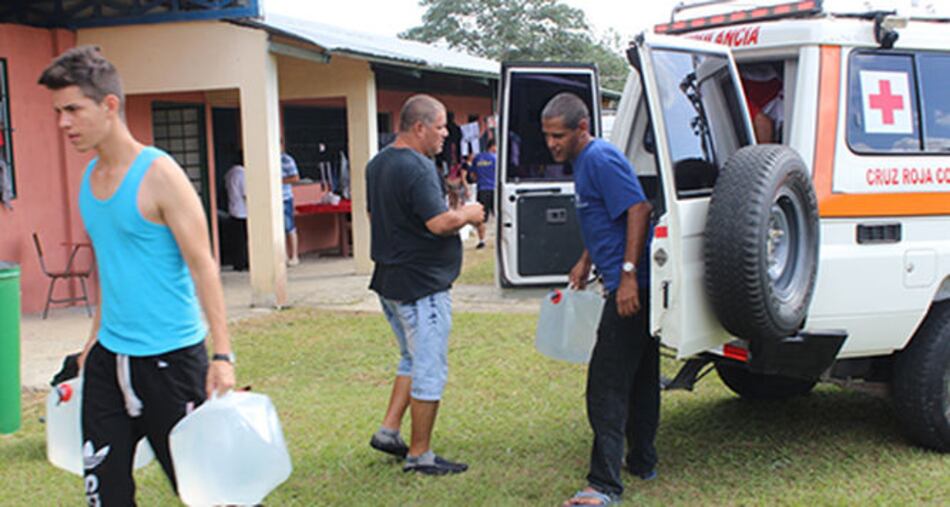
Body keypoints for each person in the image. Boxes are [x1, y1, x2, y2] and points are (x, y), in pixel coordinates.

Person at [38, 46, 236, 505]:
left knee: (210, 491)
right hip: (110, 359)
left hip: (173, 359)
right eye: (58, 112)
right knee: (104, 492)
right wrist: (93, 341)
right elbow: (114, 267)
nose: (63, 122)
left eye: (73, 109)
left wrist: (222, 355)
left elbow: (204, 265)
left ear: (109, 105)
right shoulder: (89, 179)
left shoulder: (161, 175)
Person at [539, 93, 657, 507]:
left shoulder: (600, 159)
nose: (552, 143)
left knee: (605, 385)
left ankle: (603, 485)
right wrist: (585, 258)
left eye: (559, 135)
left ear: (582, 128)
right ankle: (642, 460)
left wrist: (626, 276)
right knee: (640, 377)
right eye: (547, 136)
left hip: (632, 286)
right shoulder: (585, 162)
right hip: (625, 279)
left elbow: (638, 209)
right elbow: (606, 213)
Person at [365, 94, 484, 476]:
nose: (445, 134)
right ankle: (420, 454)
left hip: (390, 280)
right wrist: (468, 213)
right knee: (429, 366)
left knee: (410, 358)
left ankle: (388, 431)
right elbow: (437, 223)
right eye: (440, 126)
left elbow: (375, 213)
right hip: (421, 286)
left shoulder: (378, 163)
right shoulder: (416, 167)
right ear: (419, 127)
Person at [470, 138, 497, 249]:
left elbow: (473, 175)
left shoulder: (477, 158)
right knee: (499, 215)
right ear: (493, 146)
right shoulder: (496, 158)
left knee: (481, 217)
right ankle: (501, 239)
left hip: (482, 189)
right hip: (494, 188)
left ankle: (481, 240)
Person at [224, 154, 248, 271]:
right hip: (244, 211)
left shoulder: (229, 173)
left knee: (237, 240)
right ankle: (245, 262)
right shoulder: (243, 174)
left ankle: (238, 263)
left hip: (233, 209)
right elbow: (246, 194)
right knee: (245, 239)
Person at [281, 139, 301, 266]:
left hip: (284, 197)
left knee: (289, 227)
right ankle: (282, 256)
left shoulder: (286, 160)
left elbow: (295, 178)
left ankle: (294, 255)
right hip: (270, 198)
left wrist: (277, 181)